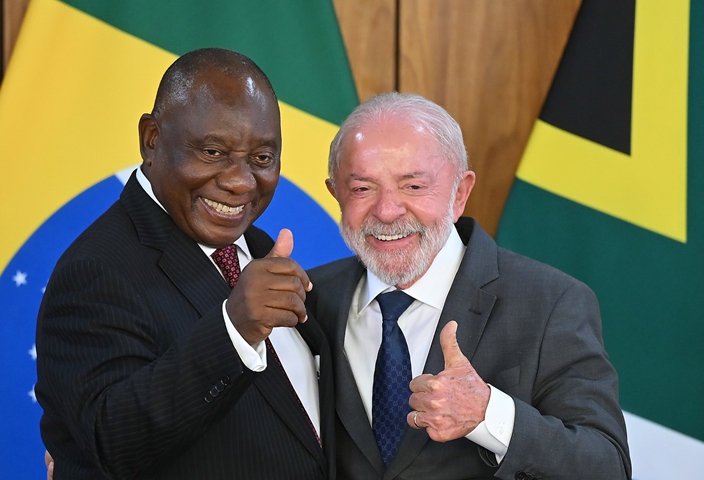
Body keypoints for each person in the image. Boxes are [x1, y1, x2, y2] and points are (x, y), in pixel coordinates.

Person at [35, 48, 334, 480]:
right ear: (151, 139)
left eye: (262, 158)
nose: (240, 181)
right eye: (213, 152)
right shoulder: (96, 270)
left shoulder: (256, 247)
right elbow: (113, 441)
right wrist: (234, 330)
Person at [306, 92, 632, 480]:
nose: (387, 210)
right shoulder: (309, 299)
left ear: (460, 193)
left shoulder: (551, 302)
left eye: (413, 187)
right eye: (362, 189)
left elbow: (606, 466)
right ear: (335, 193)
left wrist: (488, 413)